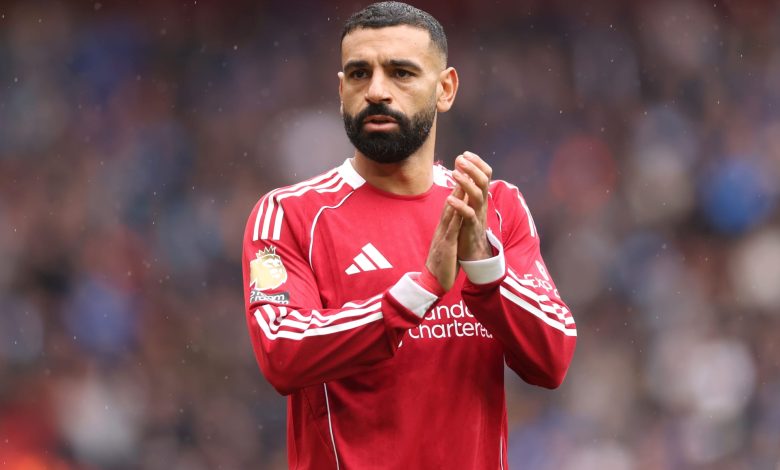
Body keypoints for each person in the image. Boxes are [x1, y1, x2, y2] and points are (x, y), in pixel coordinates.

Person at [241, 2, 576, 468]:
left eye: (401, 73)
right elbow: (281, 351)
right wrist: (417, 293)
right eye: (359, 74)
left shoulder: (493, 207)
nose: (376, 91)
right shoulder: (287, 215)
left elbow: (552, 358)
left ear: (445, 89)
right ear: (341, 90)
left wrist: (484, 268)